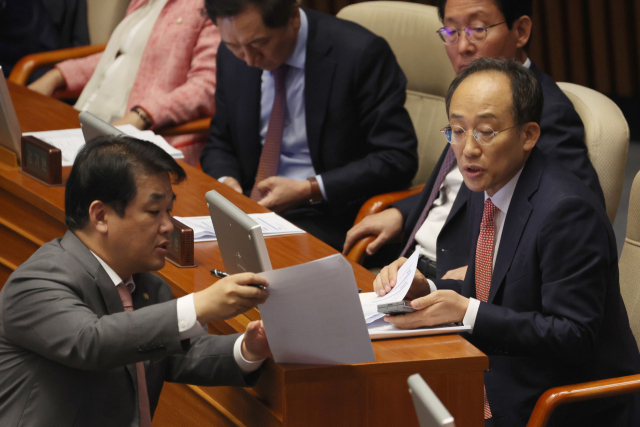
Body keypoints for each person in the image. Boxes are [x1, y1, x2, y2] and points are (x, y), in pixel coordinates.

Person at [375, 58, 640, 427]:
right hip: (494, 370)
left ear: (529, 135)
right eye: (457, 130)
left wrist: (466, 311)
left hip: (560, 402)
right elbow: (499, 286)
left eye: (485, 131)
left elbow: (573, 336)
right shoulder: (484, 185)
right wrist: (428, 287)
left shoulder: (567, 211)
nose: (467, 149)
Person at [0, 135, 271, 426]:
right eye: (154, 212)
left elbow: (178, 352)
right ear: (101, 215)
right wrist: (199, 305)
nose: (169, 226)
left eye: (170, 210)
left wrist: (248, 349)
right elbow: (92, 341)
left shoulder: (146, 287)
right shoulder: (36, 282)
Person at [343, 0, 604, 279]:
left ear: (521, 31)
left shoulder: (545, 113)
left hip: (460, 284)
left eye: (478, 29)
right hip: (407, 265)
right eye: (451, 32)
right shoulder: (470, 94)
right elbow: (456, 186)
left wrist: (485, 274)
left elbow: (579, 217)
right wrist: (403, 213)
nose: (463, 46)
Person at [199, 0, 418, 251]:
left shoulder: (360, 54)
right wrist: (228, 184)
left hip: (329, 213)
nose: (248, 59)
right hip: (252, 205)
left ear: (292, 15)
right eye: (233, 45)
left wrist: (309, 189)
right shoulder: (231, 54)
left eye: (258, 44)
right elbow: (219, 142)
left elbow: (397, 157)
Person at [27, 0, 219, 165]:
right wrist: (58, 76)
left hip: (141, 137)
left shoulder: (209, 7)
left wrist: (142, 114)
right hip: (90, 121)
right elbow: (121, 56)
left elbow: (205, 87)